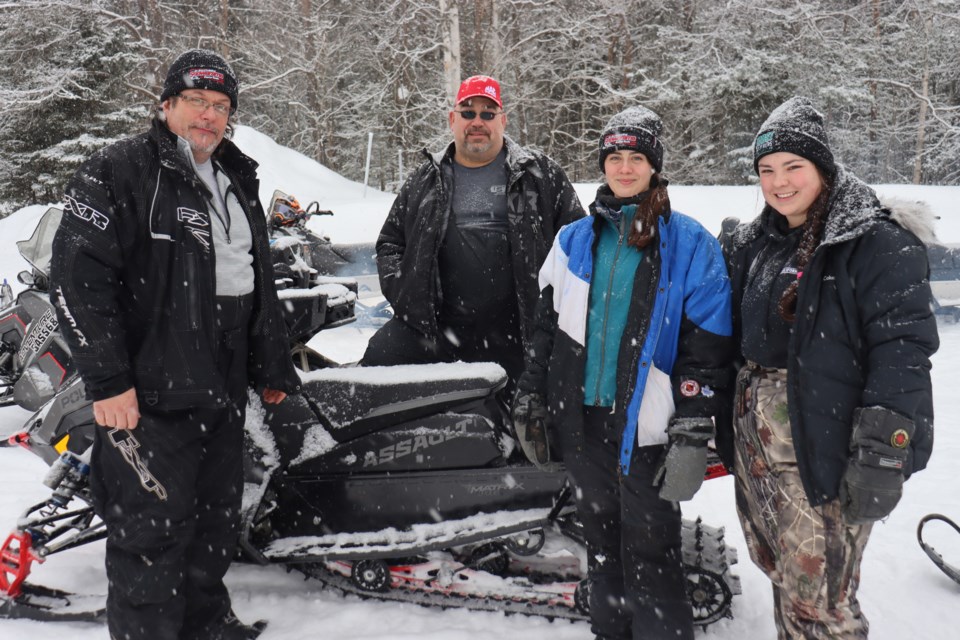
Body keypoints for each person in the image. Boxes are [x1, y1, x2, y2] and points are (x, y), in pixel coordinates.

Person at [50, 49, 301, 640]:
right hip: (150, 391)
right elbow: (77, 281)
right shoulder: (119, 170)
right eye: (196, 102)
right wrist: (109, 384)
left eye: (220, 107)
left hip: (222, 381)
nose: (209, 117)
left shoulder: (236, 177)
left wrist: (270, 369)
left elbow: (253, 278)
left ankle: (207, 627)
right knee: (150, 534)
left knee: (213, 522)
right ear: (166, 105)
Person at [512, 106, 733, 640]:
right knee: (603, 546)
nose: (625, 167)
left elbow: (709, 346)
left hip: (649, 430)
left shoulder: (688, 242)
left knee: (652, 551)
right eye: (615, 157)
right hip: (583, 425)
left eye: (637, 157)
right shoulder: (572, 241)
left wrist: (694, 423)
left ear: (655, 166)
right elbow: (546, 327)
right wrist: (531, 394)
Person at [723, 96, 938, 638]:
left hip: (827, 444)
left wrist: (883, 450)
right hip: (761, 448)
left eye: (794, 166)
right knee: (785, 576)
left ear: (824, 167)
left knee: (823, 598)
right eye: (766, 170)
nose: (779, 182)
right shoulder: (761, 241)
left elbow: (904, 351)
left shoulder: (876, 242)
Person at [362, 75, 584, 391]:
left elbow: (579, 243)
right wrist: (407, 298)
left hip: (519, 330)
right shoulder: (425, 180)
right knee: (375, 369)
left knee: (537, 415)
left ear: (502, 121)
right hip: (437, 327)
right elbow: (390, 243)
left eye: (487, 114)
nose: (477, 122)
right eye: (468, 113)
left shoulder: (540, 175)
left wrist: (553, 315)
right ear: (453, 120)